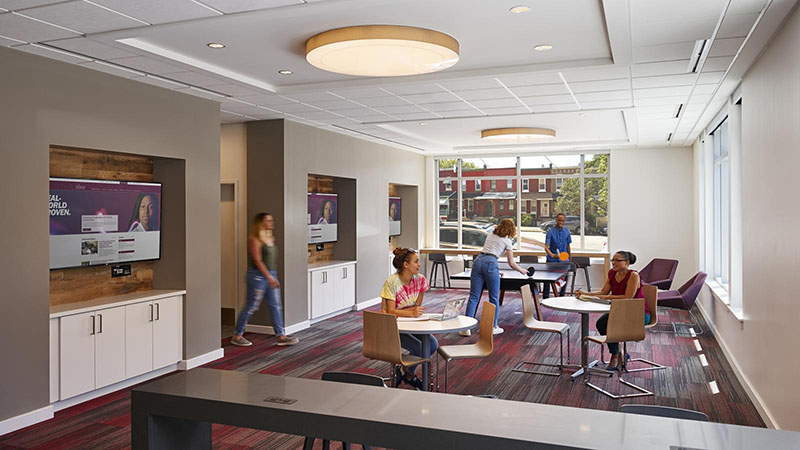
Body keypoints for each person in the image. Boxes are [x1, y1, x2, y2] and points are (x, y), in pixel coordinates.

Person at [232, 213, 299, 347]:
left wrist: (271, 276)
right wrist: (268, 277)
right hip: (257, 276)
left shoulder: (269, 238)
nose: (271, 222)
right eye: (268, 220)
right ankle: (237, 335)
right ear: (260, 223)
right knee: (251, 306)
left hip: (271, 274)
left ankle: (281, 336)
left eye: (271, 220)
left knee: (276, 306)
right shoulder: (254, 239)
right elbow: (257, 260)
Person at [575, 250, 650, 370]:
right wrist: (586, 293)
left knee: (611, 324)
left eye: (617, 260)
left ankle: (617, 355)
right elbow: (603, 292)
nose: (613, 263)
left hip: (637, 313)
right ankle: (617, 353)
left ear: (627, 262)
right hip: (619, 310)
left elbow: (627, 297)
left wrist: (606, 297)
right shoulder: (612, 273)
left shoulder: (633, 275)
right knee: (601, 323)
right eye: (613, 260)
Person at [461, 218, 527, 337]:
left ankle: (466, 327)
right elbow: (511, 263)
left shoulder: (491, 236)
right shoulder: (507, 241)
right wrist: (522, 270)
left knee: (474, 296)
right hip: (491, 264)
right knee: (494, 297)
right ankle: (493, 327)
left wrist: (497, 271)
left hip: (478, 261)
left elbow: (488, 254)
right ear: (512, 229)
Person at [380, 247, 432, 389]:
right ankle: (410, 376)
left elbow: (418, 307)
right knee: (421, 348)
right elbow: (391, 311)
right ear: (406, 264)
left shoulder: (420, 280)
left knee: (432, 345)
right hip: (392, 327)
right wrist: (410, 312)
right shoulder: (392, 282)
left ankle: (406, 371)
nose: (419, 264)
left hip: (411, 322)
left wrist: (405, 312)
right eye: (416, 261)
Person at [543, 213, 571, 298]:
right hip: (552, 260)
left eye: (562, 221)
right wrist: (552, 255)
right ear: (556, 220)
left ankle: (561, 296)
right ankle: (545, 297)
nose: (561, 222)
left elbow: (568, 246)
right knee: (547, 280)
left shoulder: (567, 231)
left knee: (564, 280)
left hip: (564, 261)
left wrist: (570, 258)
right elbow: (546, 247)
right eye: (559, 220)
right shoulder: (550, 232)